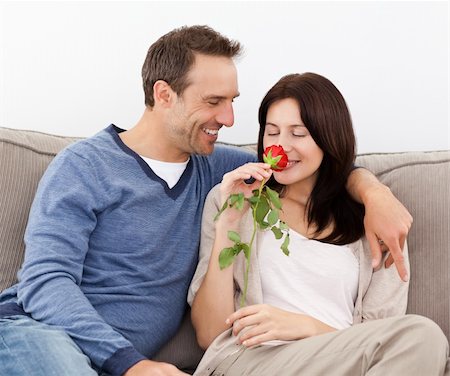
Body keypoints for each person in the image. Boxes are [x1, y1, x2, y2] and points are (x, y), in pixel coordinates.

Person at [0, 26, 412, 376]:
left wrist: (375, 193)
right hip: (35, 335)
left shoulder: (218, 168)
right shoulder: (85, 166)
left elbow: (316, 161)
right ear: (164, 95)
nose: (229, 119)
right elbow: (45, 282)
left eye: (233, 101)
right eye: (214, 102)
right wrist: (133, 364)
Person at [188, 73, 449, 375]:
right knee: (421, 334)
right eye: (272, 133)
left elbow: (381, 338)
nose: (281, 146)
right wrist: (228, 226)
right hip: (253, 360)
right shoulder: (231, 199)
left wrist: (305, 327)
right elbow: (210, 335)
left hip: (340, 362)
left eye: (298, 134)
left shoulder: (374, 222)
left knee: (421, 338)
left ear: (329, 138)